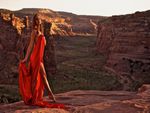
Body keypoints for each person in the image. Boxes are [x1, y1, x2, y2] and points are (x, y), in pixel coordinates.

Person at [18, 13, 65, 108]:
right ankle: (47, 96)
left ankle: (46, 96)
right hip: (35, 58)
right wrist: (26, 59)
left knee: (42, 77)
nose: (37, 21)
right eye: (35, 20)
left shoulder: (41, 33)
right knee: (40, 78)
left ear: (40, 21)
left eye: (38, 19)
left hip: (40, 58)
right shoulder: (34, 32)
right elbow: (31, 46)